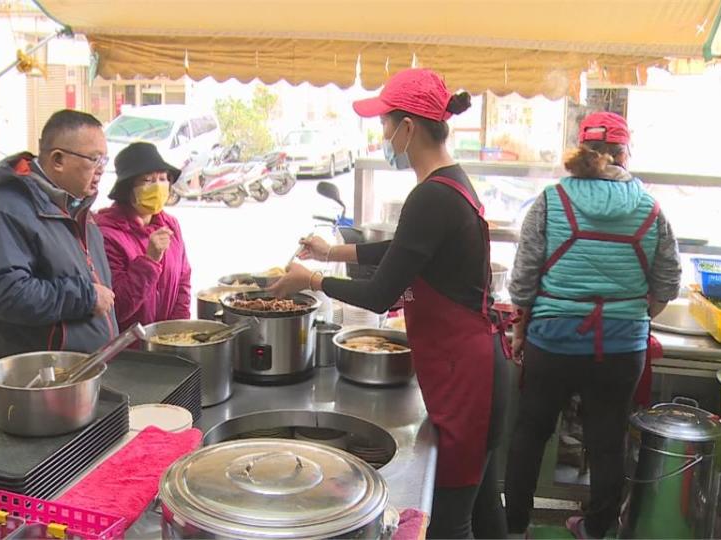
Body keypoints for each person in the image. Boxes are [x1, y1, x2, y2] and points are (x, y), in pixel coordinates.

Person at [269, 68, 509, 540]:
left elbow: (380, 294)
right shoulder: (449, 183)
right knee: (481, 508)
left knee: (449, 523)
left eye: (385, 125)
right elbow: (405, 251)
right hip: (474, 370)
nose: (383, 136)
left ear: (409, 127)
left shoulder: (431, 196)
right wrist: (330, 251)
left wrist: (312, 279)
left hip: (468, 378)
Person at [503, 111, 681, 539]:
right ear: (625, 153)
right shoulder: (651, 208)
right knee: (607, 440)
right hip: (621, 349)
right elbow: (668, 282)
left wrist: (521, 328)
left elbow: (523, 280)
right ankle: (596, 529)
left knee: (530, 432)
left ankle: (514, 528)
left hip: (553, 342)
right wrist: (633, 317)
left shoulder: (551, 200)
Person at [0, 110, 118, 391]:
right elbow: (5, 294)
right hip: (25, 392)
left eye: (105, 159)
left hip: (75, 382)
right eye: (94, 159)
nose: (102, 168)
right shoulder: (1, 212)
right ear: (58, 159)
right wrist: (85, 296)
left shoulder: (78, 210)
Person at [95, 142, 191, 333]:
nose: (158, 186)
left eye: (163, 179)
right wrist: (150, 261)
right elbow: (118, 307)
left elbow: (183, 281)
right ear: (127, 189)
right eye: (148, 180)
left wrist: (176, 332)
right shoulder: (106, 233)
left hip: (165, 342)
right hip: (129, 348)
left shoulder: (170, 225)